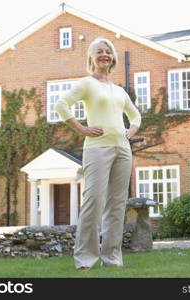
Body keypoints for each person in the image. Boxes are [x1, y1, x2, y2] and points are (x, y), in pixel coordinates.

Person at [55, 37, 141, 270]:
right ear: (91, 58)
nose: (105, 55)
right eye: (100, 51)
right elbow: (61, 105)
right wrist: (81, 128)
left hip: (123, 149)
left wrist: (130, 131)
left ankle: (112, 258)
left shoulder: (120, 91)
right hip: (97, 148)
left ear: (112, 58)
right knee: (93, 201)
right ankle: (86, 259)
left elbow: (136, 116)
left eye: (108, 52)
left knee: (117, 204)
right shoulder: (86, 83)